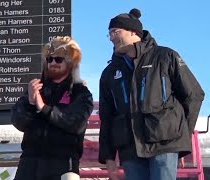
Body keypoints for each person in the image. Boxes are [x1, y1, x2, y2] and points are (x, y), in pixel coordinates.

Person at [98, 8, 205, 180]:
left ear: (133, 32)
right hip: (130, 149)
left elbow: (194, 95)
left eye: (115, 32)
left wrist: (180, 132)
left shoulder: (165, 56)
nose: (111, 37)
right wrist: (108, 157)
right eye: (109, 33)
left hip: (164, 145)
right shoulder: (110, 73)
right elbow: (107, 116)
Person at [11, 36, 93, 180]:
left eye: (59, 59)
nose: (53, 63)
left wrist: (43, 108)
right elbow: (18, 122)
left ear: (70, 62)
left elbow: (76, 123)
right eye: (50, 59)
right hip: (29, 163)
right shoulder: (36, 88)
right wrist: (30, 103)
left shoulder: (81, 93)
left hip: (63, 163)